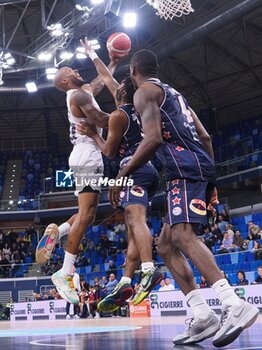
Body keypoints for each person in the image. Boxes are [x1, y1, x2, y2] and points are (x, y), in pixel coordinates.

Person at [108, 49, 259, 347]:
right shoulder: (175, 94)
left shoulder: (144, 93)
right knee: (164, 243)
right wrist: (211, 180)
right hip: (197, 167)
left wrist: (123, 171)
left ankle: (233, 304)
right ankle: (203, 316)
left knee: (183, 235)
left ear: (134, 67)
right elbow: (205, 137)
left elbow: (153, 139)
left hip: (183, 169)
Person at [77, 39, 162, 312]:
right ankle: (126, 278)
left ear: (120, 94)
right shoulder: (137, 105)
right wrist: (93, 54)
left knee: (134, 218)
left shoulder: (118, 115)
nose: (112, 88)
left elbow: (110, 153)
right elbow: (106, 76)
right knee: (131, 223)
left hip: (133, 168)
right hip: (149, 169)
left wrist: (92, 134)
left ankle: (148, 268)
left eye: (116, 88)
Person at [48, 53, 120, 304]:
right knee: (88, 215)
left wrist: (113, 62)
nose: (76, 71)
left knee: (85, 213)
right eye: (70, 71)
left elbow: (99, 83)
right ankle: (65, 272)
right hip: (87, 154)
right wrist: (130, 115)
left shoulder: (83, 91)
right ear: (65, 82)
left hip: (84, 154)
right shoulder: (78, 96)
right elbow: (101, 120)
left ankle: (60, 231)